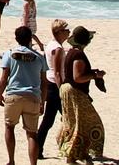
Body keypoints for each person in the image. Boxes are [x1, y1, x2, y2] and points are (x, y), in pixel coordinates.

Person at [0, 25, 48, 165]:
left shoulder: (9, 54)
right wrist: (42, 102)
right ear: (30, 39)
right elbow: (44, 83)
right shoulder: (39, 57)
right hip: (32, 97)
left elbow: (4, 78)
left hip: (13, 95)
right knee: (32, 134)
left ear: (16, 39)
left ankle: (11, 160)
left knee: (9, 127)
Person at [56, 26, 105, 164]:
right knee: (90, 122)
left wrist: (92, 73)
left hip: (67, 89)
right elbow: (77, 77)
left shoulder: (71, 52)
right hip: (74, 91)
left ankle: (75, 155)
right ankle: (76, 155)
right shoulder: (78, 55)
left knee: (75, 123)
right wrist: (95, 75)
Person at [35, 19, 71, 159]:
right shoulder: (57, 49)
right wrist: (62, 89)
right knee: (66, 118)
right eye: (66, 30)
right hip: (54, 86)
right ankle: (39, 148)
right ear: (59, 32)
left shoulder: (51, 45)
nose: (68, 32)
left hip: (50, 84)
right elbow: (56, 72)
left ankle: (38, 149)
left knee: (50, 120)